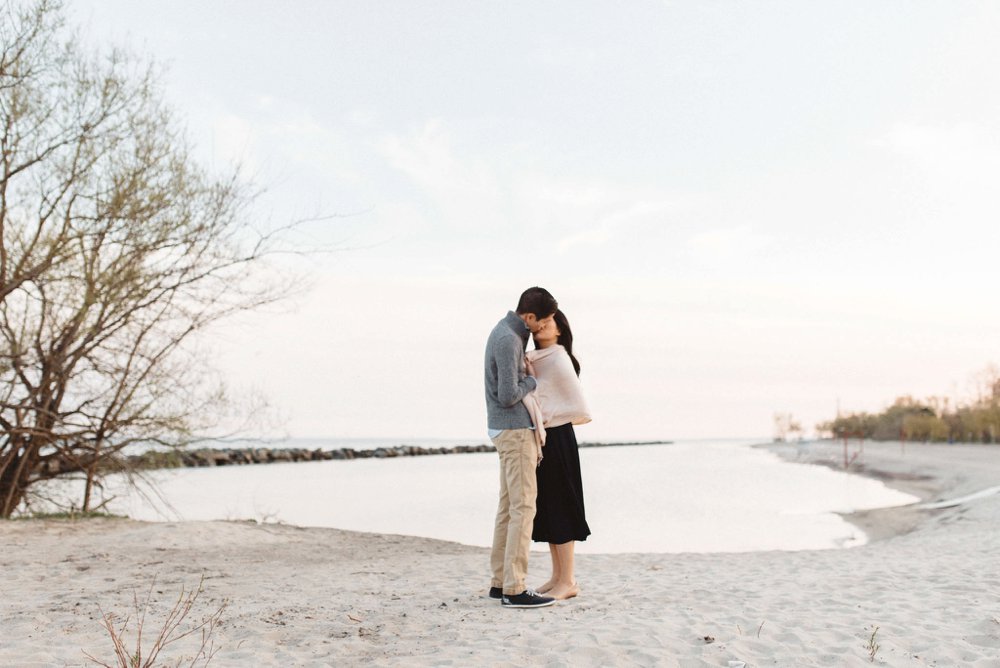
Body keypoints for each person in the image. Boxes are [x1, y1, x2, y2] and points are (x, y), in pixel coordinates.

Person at [484, 287, 558, 609]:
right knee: (524, 508)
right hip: (514, 430)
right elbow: (508, 394)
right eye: (543, 321)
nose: (543, 327)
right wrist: (533, 380)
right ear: (529, 316)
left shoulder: (511, 334)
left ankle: (500, 582)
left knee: (508, 508)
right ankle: (515, 588)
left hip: (507, 429)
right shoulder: (508, 339)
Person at [523, 309, 591, 601]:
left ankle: (568, 580)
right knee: (549, 508)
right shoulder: (537, 358)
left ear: (559, 329)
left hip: (560, 436)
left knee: (561, 507)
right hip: (546, 438)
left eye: (547, 322)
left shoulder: (558, 358)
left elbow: (563, 401)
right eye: (538, 322)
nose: (540, 326)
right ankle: (556, 576)